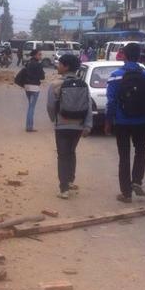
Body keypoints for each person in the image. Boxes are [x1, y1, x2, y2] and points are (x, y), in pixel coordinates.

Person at [105, 42, 145, 202]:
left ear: (124, 56)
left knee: (124, 155)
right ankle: (137, 181)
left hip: (122, 121)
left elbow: (111, 101)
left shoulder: (116, 75)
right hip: (142, 120)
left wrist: (108, 120)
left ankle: (126, 193)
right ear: (140, 56)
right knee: (140, 150)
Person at [47, 53, 92, 199]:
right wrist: (88, 125)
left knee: (62, 155)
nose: (58, 66)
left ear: (66, 67)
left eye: (60, 64)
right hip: (78, 125)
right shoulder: (83, 85)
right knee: (71, 152)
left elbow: (50, 106)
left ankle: (64, 189)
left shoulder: (55, 84)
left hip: (62, 125)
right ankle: (71, 180)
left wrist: (54, 119)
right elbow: (89, 106)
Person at [20, 49, 45, 132]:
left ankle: (29, 126)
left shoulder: (28, 63)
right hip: (34, 87)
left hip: (27, 87)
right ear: (35, 55)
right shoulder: (38, 64)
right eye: (39, 54)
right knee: (31, 107)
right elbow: (42, 77)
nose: (40, 56)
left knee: (30, 106)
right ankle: (29, 127)